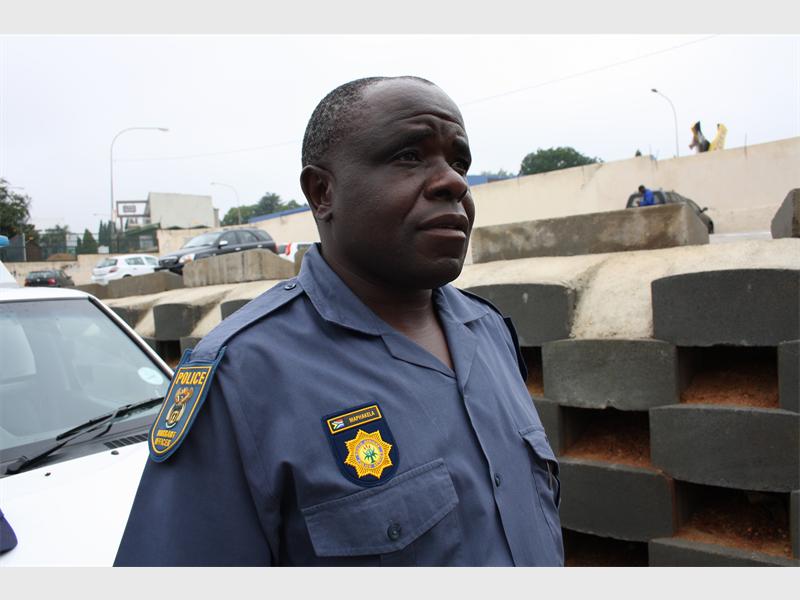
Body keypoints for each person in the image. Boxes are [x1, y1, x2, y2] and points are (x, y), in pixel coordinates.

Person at [114, 76, 564, 567]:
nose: (454, 183)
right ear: (322, 192)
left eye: (459, 163)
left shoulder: (490, 331)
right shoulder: (243, 379)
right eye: (409, 156)